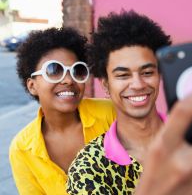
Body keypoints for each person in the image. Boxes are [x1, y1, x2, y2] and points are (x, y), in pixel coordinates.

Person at [66, 11, 192, 195]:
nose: (137, 85)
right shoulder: (88, 168)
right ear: (106, 84)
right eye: (123, 75)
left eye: (147, 73)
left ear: (160, 76)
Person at [9, 27, 116, 195]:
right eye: (54, 70)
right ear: (32, 85)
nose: (68, 80)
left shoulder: (110, 114)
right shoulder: (22, 148)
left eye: (77, 71)